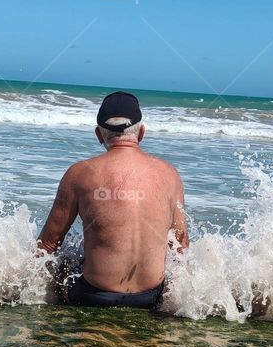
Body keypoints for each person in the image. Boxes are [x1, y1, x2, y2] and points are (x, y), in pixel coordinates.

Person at [37, 91, 188, 308]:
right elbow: (181, 245)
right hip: (151, 297)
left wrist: (28, 288)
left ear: (99, 134)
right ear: (141, 132)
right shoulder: (170, 174)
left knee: (66, 260)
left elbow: (49, 243)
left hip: (93, 295)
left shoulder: (80, 173)